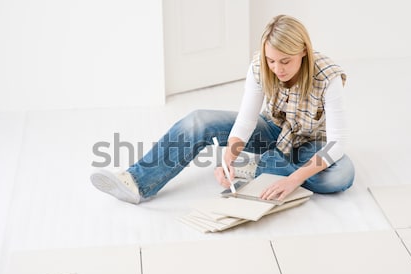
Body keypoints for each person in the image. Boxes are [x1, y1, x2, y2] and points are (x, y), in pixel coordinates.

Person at [90, 15, 355, 204]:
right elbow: (246, 120)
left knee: (338, 177)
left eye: (285, 61)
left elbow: (337, 143)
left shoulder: (328, 76)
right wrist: (231, 154)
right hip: (273, 130)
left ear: (304, 53)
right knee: (199, 120)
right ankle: (135, 182)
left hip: (311, 143)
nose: (278, 69)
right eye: (272, 61)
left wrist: (292, 180)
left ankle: (263, 168)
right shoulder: (261, 66)